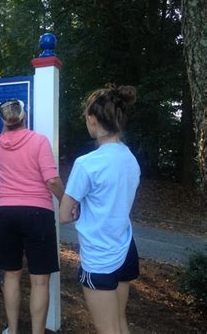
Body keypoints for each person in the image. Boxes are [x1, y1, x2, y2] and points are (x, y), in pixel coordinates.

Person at [60, 85, 140, 334]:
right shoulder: (130, 158)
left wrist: (79, 209)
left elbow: (64, 215)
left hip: (100, 257)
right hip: (126, 248)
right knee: (119, 323)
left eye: (86, 117)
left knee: (107, 329)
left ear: (93, 120)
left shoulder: (86, 164)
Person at [0, 99, 65, 334]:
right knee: (40, 280)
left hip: (4, 212)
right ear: (25, 116)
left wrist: (6, 121)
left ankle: (12, 331)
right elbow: (52, 180)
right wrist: (66, 201)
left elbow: (5, 132)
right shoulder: (39, 141)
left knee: (11, 276)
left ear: (3, 120)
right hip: (37, 212)